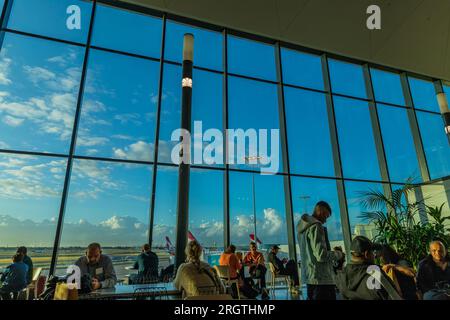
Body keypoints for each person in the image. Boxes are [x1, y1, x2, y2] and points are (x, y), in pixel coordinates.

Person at [297, 201, 344, 300]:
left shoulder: (302, 230)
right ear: (320, 212)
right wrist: (339, 254)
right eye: (326, 216)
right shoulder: (316, 226)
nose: (325, 221)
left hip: (310, 277)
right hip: (322, 278)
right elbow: (321, 255)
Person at [335, 236, 402, 300]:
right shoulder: (375, 273)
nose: (374, 255)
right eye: (372, 252)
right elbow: (394, 297)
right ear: (366, 254)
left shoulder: (341, 276)